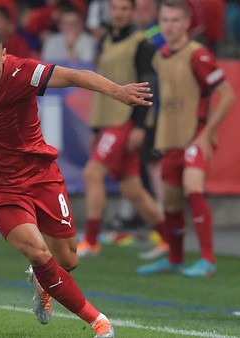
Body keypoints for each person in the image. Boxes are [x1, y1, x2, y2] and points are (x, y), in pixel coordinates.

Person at [0, 24, 152, 338]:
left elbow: (74, 76)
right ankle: (100, 323)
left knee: (67, 260)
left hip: (41, 176)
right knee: (39, 252)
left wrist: (119, 92)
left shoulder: (22, 73)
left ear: (4, 55)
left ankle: (43, 282)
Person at [137, 0, 235, 277]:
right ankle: (175, 257)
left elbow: (227, 95)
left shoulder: (198, 55)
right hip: (170, 140)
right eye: (165, 20)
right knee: (171, 204)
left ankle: (207, 260)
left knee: (194, 188)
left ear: (187, 23)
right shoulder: (161, 55)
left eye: (176, 20)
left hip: (195, 138)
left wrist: (207, 134)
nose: (169, 26)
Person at [76, 0, 166, 258]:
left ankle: (91, 241)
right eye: (115, 8)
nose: (119, 13)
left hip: (125, 120)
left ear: (132, 12)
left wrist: (139, 126)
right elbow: (101, 89)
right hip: (108, 120)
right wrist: (95, 128)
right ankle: (170, 240)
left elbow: (148, 86)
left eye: (124, 9)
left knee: (92, 173)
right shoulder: (105, 41)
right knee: (131, 187)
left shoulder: (142, 44)